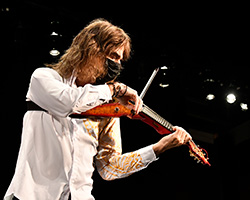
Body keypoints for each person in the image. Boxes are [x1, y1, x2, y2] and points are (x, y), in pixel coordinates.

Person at [4, 18, 192, 200]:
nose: (116, 65)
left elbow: (109, 168)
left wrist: (160, 147)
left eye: (120, 60)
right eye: (113, 56)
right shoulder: (44, 79)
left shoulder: (106, 109)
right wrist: (116, 89)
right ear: (91, 49)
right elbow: (70, 103)